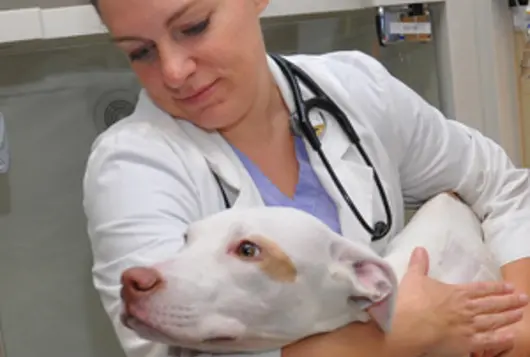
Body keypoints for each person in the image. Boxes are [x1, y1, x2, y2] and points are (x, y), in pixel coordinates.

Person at [82, 0, 530, 356]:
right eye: (140, 52)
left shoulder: (353, 89)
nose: (175, 71)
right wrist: (402, 337)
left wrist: (518, 321)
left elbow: (499, 186)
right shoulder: (131, 167)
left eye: (194, 26)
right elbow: (169, 343)